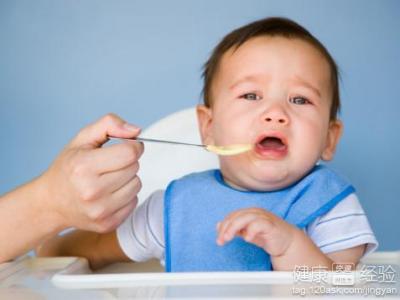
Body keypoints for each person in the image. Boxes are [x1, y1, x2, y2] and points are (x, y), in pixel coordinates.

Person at [37, 17, 378, 271]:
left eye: (300, 100)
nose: (275, 113)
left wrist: (290, 245)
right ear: (209, 128)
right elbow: (91, 250)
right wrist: (49, 249)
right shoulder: (173, 208)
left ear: (329, 139)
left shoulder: (331, 205)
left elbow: (341, 291)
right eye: (251, 95)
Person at [0, 114, 144, 263]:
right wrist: (52, 200)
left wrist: (51, 201)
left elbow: (50, 251)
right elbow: (52, 253)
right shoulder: (158, 218)